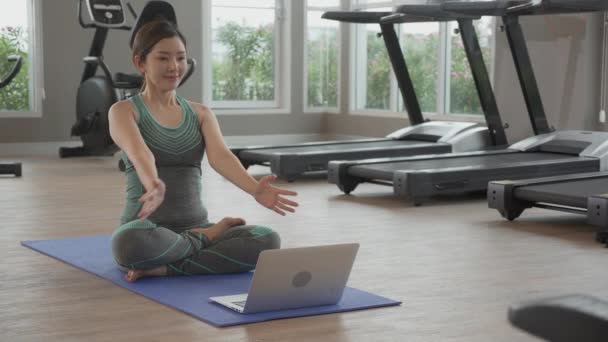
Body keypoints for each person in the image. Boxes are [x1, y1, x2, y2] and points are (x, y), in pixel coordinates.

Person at [109, 19, 298, 283]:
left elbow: (221, 157)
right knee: (128, 244)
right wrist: (153, 182)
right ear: (141, 63)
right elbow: (141, 153)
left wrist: (255, 188)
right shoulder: (123, 111)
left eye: (180, 58)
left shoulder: (201, 113)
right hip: (148, 230)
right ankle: (204, 242)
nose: (174, 67)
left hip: (197, 223)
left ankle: (167, 267)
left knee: (267, 239)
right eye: (163, 58)